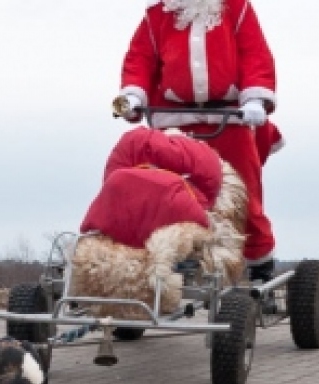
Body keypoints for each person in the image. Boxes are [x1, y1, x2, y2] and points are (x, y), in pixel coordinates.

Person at [113, 0, 283, 282]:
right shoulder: (158, 16)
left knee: (243, 193)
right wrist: (131, 96)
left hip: (230, 118)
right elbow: (139, 59)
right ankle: (173, 254)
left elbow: (255, 53)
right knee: (168, 191)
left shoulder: (236, 9)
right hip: (175, 121)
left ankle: (257, 260)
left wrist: (255, 97)